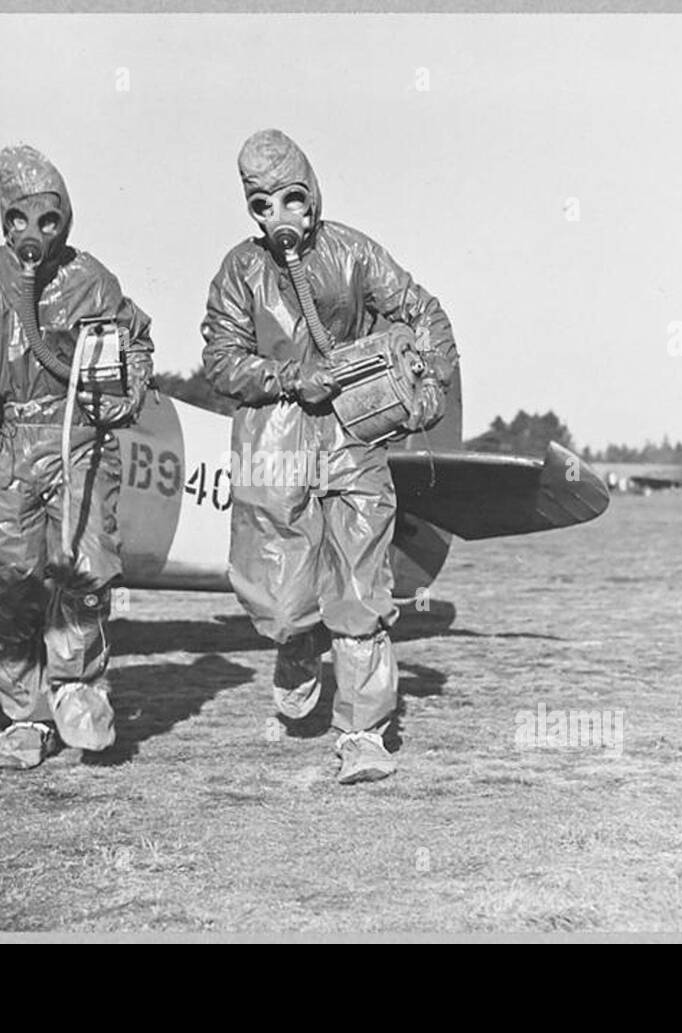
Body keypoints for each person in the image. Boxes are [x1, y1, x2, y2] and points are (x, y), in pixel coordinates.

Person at [201, 129, 458, 784]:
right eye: (264, 205)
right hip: (275, 439)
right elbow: (220, 360)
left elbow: (419, 309)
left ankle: (362, 733)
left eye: (293, 198)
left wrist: (430, 388)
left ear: (312, 194)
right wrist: (290, 379)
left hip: (353, 439)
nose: (282, 217)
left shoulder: (353, 252)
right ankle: (294, 646)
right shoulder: (240, 270)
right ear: (252, 210)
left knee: (359, 587)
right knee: (284, 598)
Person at [0, 143, 153, 769]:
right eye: (18, 219)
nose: (33, 233)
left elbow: (136, 337)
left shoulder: (91, 279)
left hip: (75, 438)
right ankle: (26, 718)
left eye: (48, 219)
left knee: (83, 572)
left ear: (64, 218)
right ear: (2, 218)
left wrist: (128, 393)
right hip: (1, 445)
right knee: (10, 583)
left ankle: (80, 691)